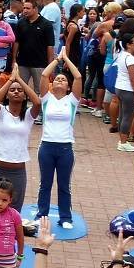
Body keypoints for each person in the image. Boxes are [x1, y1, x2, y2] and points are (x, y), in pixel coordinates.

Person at [36, 48, 83, 230]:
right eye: (57, 79)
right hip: (46, 147)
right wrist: (57, 60)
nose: (60, 80)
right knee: (45, 184)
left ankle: (65, 217)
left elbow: (78, 77)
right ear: (52, 84)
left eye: (63, 80)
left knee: (64, 185)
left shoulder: (72, 101)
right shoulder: (46, 98)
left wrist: (66, 59)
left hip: (65, 149)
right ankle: (42, 215)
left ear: (68, 87)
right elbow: (44, 75)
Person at [0, 67, 42, 209]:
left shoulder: (29, 115)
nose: (16, 91)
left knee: (14, 211)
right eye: (12, 90)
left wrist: (20, 81)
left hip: (17, 172)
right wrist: (11, 79)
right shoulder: (1, 112)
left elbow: (37, 103)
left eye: (19, 90)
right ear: (6, 95)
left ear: (24, 96)